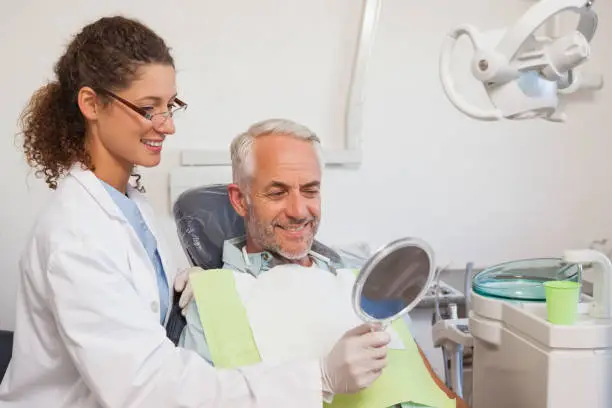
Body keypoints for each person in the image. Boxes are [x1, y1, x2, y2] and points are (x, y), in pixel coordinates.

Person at [0, 16, 392, 408]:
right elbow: (149, 390)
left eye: (170, 106)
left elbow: (131, 295)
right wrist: (317, 378)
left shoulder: (126, 201)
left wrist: (177, 282)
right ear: (91, 104)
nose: (167, 125)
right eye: (148, 108)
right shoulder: (76, 234)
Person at [178, 118, 468, 408]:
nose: (299, 211)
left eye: (310, 190)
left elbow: (434, 389)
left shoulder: (362, 273)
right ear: (240, 200)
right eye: (277, 193)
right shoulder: (213, 299)